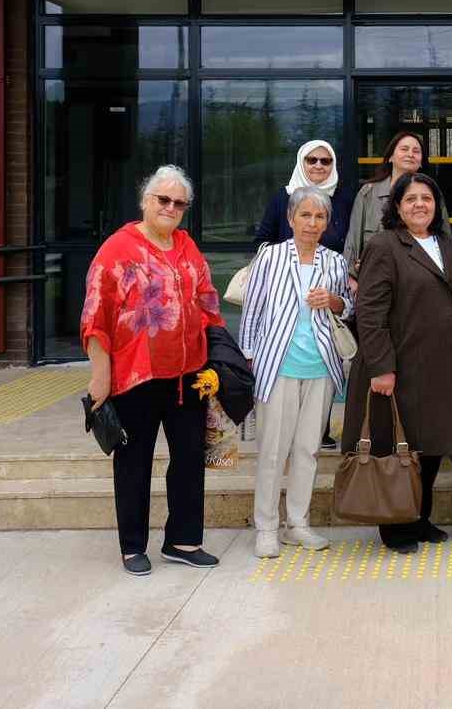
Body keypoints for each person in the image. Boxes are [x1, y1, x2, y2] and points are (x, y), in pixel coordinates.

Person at [81, 164, 224, 576]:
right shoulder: (117, 248)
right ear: (146, 200)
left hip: (188, 374)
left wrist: (218, 359)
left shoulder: (186, 245)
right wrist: (100, 376)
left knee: (189, 458)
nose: (171, 207)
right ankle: (132, 547)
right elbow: (95, 316)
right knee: (133, 460)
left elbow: (208, 301)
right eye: (163, 199)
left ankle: (182, 540)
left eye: (179, 203)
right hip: (135, 376)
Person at [343, 170, 452, 554]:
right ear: (397, 206)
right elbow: (370, 311)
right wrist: (381, 366)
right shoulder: (384, 245)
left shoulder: (446, 243)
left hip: (439, 366)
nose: (419, 205)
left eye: (426, 199)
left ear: (436, 206)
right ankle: (395, 526)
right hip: (396, 366)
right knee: (394, 444)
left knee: (428, 446)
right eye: (411, 199)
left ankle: (420, 516)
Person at [239, 186, 352, 560]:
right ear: (290, 219)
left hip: (320, 367)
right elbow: (252, 311)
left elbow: (348, 308)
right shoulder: (270, 257)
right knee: (272, 451)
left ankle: (297, 524)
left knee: (308, 450)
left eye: (319, 217)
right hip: (278, 366)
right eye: (305, 215)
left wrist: (333, 300)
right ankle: (267, 527)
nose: (312, 223)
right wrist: (250, 358)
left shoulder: (334, 261)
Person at [345, 130, 438, 280]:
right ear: (390, 157)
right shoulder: (368, 193)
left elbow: (442, 237)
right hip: (374, 277)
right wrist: (351, 278)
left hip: (417, 279)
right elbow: (353, 241)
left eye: (416, 151)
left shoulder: (432, 195)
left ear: (421, 162)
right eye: (404, 149)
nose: (410, 154)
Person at [252, 139, 355, 253]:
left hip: (332, 269)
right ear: (301, 163)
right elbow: (261, 242)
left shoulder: (344, 199)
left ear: (333, 164)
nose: (318, 165)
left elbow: (352, 243)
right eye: (311, 160)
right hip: (288, 269)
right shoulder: (283, 197)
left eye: (325, 161)